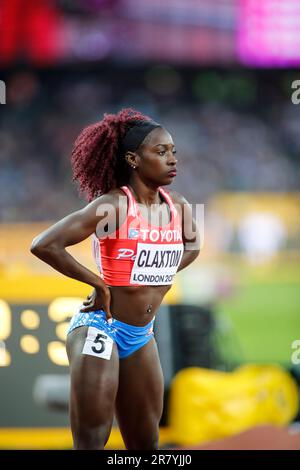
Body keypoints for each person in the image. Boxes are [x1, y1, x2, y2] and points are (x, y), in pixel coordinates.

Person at [30, 108, 200, 450]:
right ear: (133, 159)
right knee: (93, 439)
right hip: (101, 327)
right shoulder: (114, 206)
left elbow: (193, 247)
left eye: (174, 151)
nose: (172, 159)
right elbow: (45, 245)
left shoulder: (178, 206)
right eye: (161, 152)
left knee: (145, 442)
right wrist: (99, 283)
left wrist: (159, 274)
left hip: (141, 335)